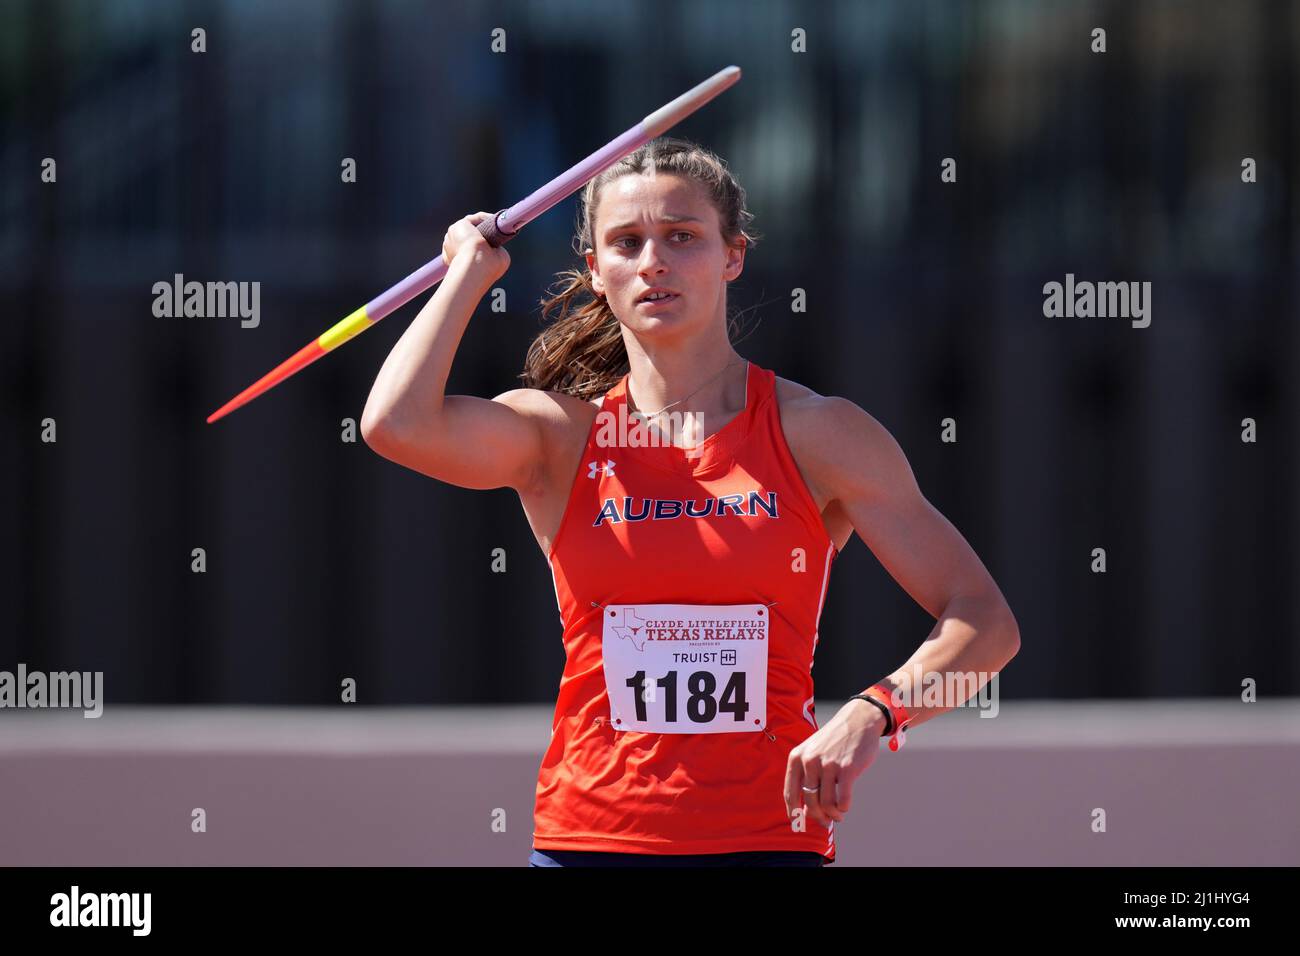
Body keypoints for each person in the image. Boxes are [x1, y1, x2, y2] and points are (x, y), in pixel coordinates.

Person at [360, 137, 1020, 867]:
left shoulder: (819, 434)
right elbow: (396, 426)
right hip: (588, 841)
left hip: (767, 842)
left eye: (682, 236)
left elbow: (986, 622)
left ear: (733, 254)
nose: (653, 262)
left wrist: (875, 714)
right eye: (626, 242)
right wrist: (465, 276)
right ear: (596, 270)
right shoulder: (559, 438)